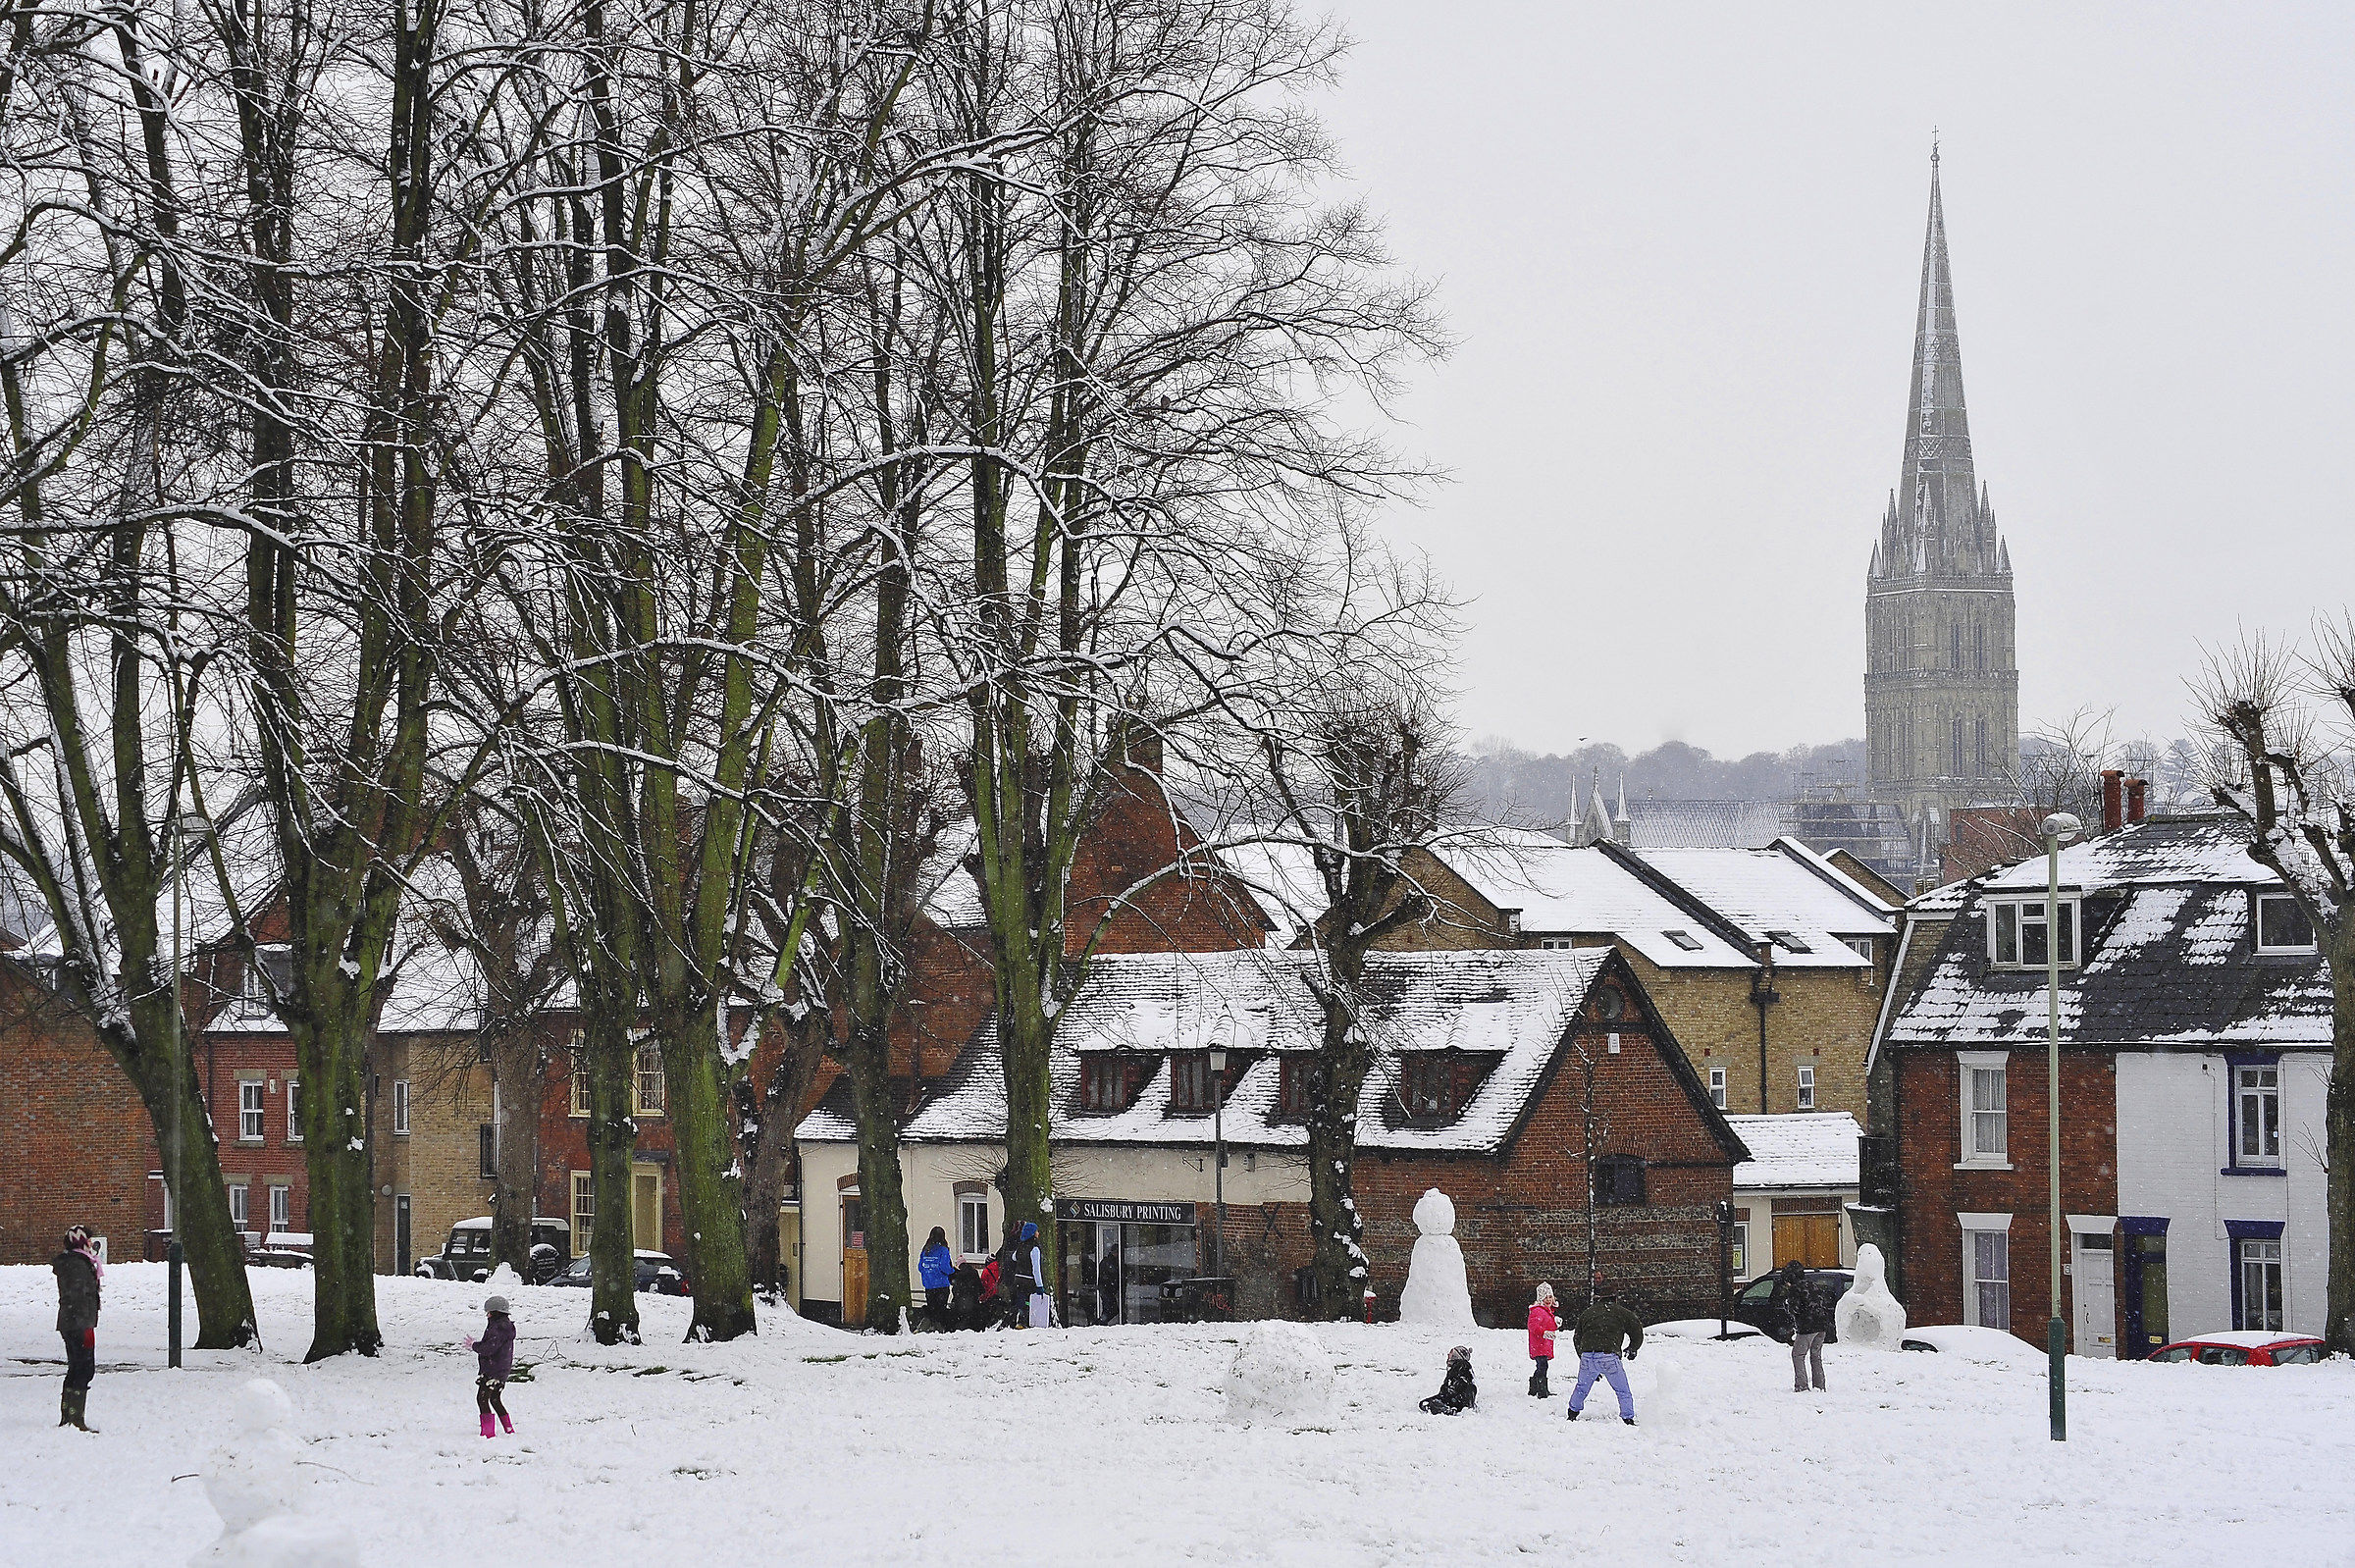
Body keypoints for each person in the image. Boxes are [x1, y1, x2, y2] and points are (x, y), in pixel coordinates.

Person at [1565, 1288, 1644, 1426]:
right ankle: (1628, 1418)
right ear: (1614, 1299)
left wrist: (1582, 1355)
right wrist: (1633, 1348)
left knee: (1582, 1387)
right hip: (1609, 1355)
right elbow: (1636, 1328)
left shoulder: (1587, 1313)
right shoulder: (1621, 1312)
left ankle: (1572, 1413)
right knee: (1622, 1390)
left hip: (1588, 1356)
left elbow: (1577, 1337)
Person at [52, 1225, 101, 1433]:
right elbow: (80, 1297)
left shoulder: (77, 1262)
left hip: (73, 1322)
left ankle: (70, 1416)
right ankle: (74, 1418)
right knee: (83, 1368)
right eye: (88, 1240)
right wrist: (86, 1327)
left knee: (77, 1367)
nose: (91, 1244)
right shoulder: (78, 1265)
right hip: (79, 1324)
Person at [465, 1295, 517, 1437]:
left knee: (482, 1399)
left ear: (495, 1313)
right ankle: (508, 1428)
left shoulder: (497, 1328)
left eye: (488, 1312)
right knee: (495, 1398)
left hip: (492, 1371)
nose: (487, 1315)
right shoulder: (505, 1326)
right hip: (501, 1370)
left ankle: (488, 1433)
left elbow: (489, 1348)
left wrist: (474, 1346)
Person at [1780, 1260, 1832, 1391]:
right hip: (1822, 1325)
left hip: (1807, 1327)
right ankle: (1819, 1386)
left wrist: (1786, 1304)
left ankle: (1801, 1386)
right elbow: (1823, 1302)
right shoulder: (1813, 1285)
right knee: (1816, 1356)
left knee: (1798, 1355)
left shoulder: (1795, 1289)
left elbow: (1794, 1309)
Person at [1009, 1222, 1048, 1329]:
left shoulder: (1021, 1247)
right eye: (1037, 1231)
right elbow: (1036, 1269)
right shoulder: (1035, 1248)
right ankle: (1029, 1321)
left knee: (1021, 1301)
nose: (1038, 1233)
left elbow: (1013, 1257)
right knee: (1029, 1302)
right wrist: (1039, 1285)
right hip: (1029, 1280)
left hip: (1018, 1279)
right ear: (1033, 1234)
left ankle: (1020, 1321)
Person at [1419, 1345, 1478, 1415]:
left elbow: (1459, 1388)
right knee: (1426, 1403)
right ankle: (1447, 1409)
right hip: (1453, 1399)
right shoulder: (1457, 1368)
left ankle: (1450, 1411)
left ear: (1456, 1355)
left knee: (1432, 1404)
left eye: (1451, 1353)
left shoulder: (1461, 1365)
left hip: (1459, 1401)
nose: (1448, 1355)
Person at [918, 1227, 956, 1330]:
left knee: (932, 1308)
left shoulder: (925, 1250)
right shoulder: (943, 1250)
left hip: (929, 1285)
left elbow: (920, 1267)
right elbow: (944, 1267)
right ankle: (939, 1328)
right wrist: (952, 1271)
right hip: (941, 1285)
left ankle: (926, 1327)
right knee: (940, 1310)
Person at [1527, 1281, 1559, 1397]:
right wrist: (1544, 1333)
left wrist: (1556, 1324)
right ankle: (1542, 1390)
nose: (1548, 1300)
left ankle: (1534, 1388)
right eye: (1545, 1297)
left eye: (1550, 1296)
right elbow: (1533, 1326)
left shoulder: (1547, 1312)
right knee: (1542, 1366)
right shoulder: (1537, 1311)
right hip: (1538, 1345)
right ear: (1540, 1299)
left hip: (1544, 1345)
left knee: (1541, 1366)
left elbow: (1549, 1326)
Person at [1096, 1243, 1122, 1326]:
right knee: (1111, 1309)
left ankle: (1101, 1322)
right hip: (1107, 1289)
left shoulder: (1107, 1262)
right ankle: (1100, 1322)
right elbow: (1110, 1275)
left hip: (1106, 1289)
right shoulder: (1109, 1262)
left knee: (1108, 1309)